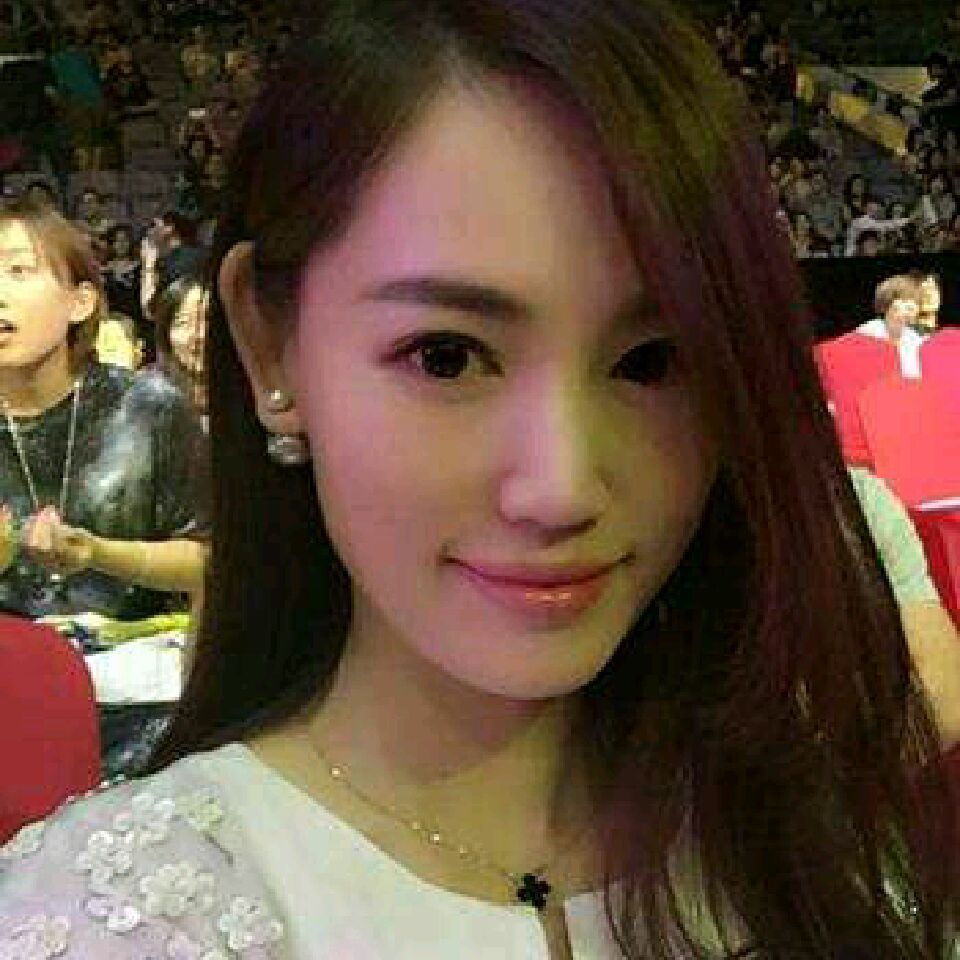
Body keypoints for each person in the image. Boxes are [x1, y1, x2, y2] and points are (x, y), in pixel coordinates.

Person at [2, 1, 958, 956]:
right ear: (269, 345)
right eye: (447, 356)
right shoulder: (101, 919)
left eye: (653, 361)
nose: (560, 489)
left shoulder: (821, 854)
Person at [0, 199, 208, 621]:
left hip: (134, 653)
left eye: (18, 270)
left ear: (81, 302)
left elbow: (212, 560)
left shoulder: (149, 406)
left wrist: (98, 553)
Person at [856, 274, 928, 378]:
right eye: (904, 300)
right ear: (886, 302)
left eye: (915, 302)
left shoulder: (916, 339)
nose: (911, 306)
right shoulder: (867, 332)